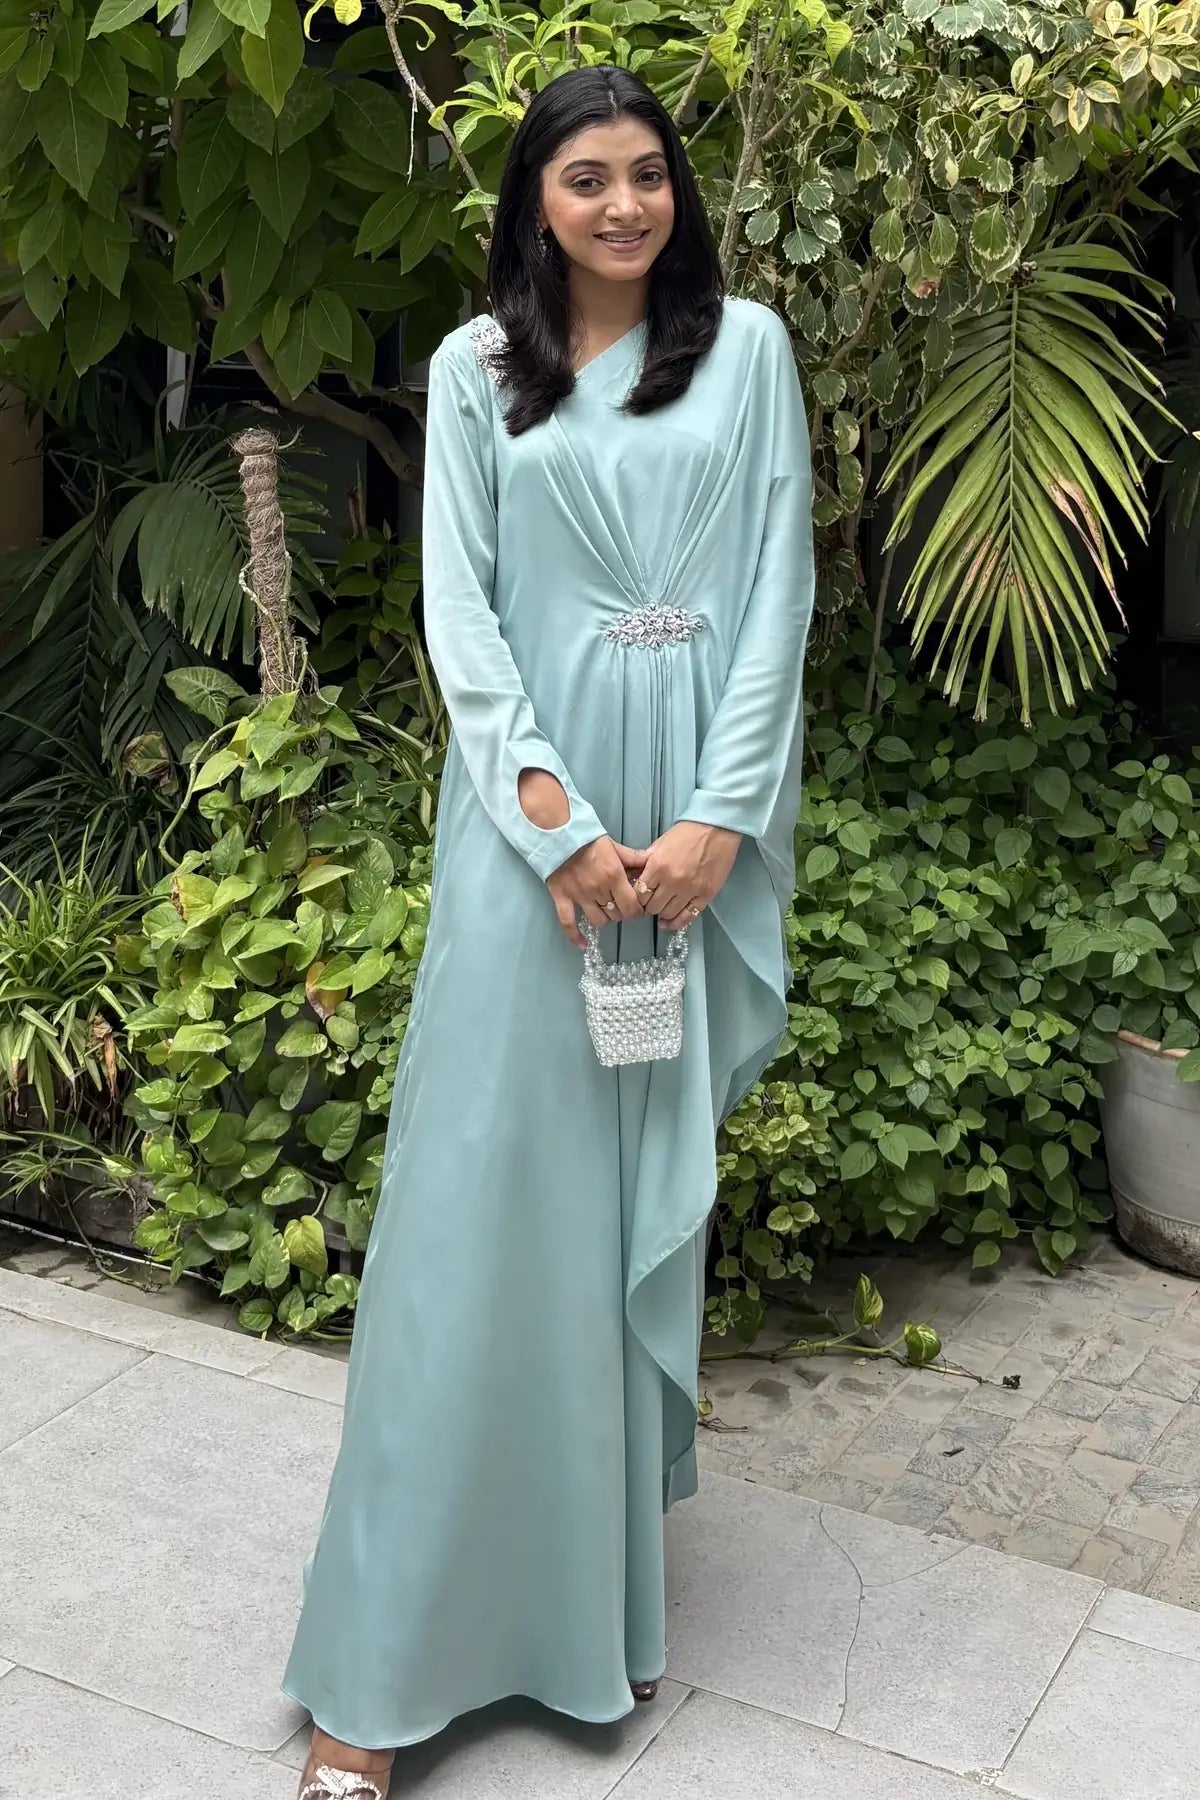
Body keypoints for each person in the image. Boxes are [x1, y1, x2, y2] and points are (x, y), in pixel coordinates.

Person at [283, 61, 814, 1800]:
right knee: (469, 1220)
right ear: (534, 201)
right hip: (536, 851)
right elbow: (462, 619)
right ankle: (375, 1676)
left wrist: (717, 825)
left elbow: (777, 600)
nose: (621, 206)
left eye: (648, 175)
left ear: (679, 193)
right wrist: (563, 833)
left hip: (690, 837)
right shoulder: (467, 374)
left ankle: (585, 1618)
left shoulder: (749, 356)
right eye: (584, 178)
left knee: (604, 1228)